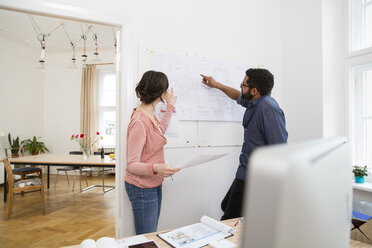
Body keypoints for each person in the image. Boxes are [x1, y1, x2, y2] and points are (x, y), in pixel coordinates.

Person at [200, 68, 288, 220]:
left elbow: (280, 149)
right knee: (225, 205)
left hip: (256, 179)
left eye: (243, 84)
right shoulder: (255, 101)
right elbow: (237, 96)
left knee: (229, 220)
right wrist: (217, 85)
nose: (241, 87)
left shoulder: (269, 109)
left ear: (254, 90)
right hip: (244, 173)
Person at [125, 70, 181, 234]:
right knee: (146, 239)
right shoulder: (140, 121)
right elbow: (132, 165)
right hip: (141, 187)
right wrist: (157, 168)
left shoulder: (150, 114)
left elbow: (159, 131)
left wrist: (170, 106)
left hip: (154, 182)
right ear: (161, 93)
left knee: (151, 235)